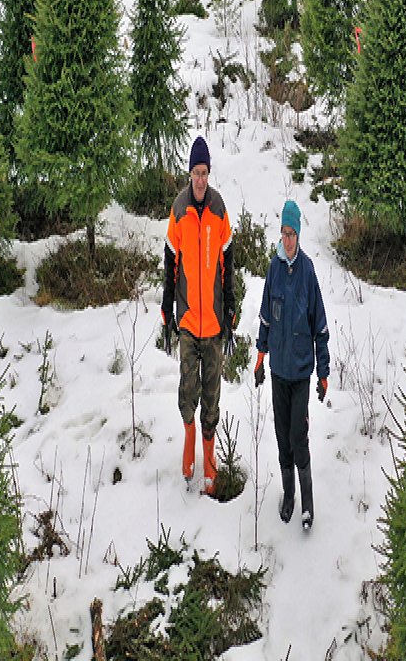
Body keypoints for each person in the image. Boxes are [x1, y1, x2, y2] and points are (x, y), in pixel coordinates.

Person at [162, 136, 237, 496]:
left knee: (212, 394)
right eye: (196, 173)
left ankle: (209, 459)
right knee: (186, 390)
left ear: (209, 173)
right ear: (189, 173)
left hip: (215, 322)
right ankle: (189, 437)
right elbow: (170, 265)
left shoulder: (219, 209)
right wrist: (167, 310)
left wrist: (231, 308)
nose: (201, 179)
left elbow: (228, 263)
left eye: (205, 173)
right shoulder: (179, 210)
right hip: (189, 320)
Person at [252, 199, 329, 531]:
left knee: (299, 435)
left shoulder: (307, 272)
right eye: (283, 233)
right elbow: (266, 319)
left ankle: (307, 503)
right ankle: (289, 494)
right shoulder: (274, 269)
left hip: (300, 372)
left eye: (292, 234)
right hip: (278, 372)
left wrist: (323, 374)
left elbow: (320, 327)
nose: (287, 240)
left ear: (299, 234)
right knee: (282, 436)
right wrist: (260, 358)